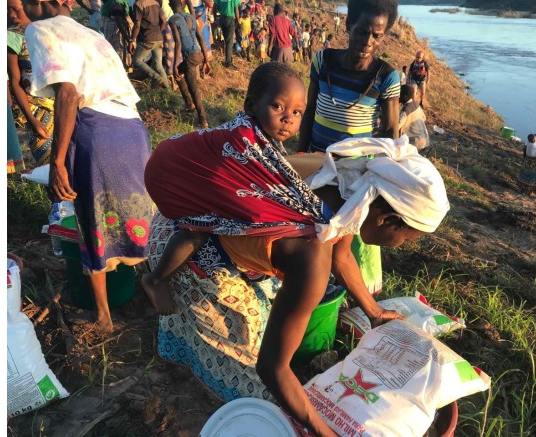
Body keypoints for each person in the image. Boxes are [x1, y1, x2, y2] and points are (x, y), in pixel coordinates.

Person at [144, 62, 450, 436]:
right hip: (191, 244)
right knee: (248, 376)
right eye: (408, 239)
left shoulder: (344, 182)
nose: (401, 246)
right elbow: (272, 369)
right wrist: (324, 431)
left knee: (267, 318)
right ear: (386, 219)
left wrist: (372, 311)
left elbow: (342, 252)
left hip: (200, 224)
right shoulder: (311, 254)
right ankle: (173, 323)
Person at [22, 0, 155, 332]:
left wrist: (57, 162)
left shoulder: (39, 29)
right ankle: (157, 291)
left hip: (97, 131)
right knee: (142, 216)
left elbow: (67, 95)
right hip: (133, 130)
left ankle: (104, 317)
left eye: (18, 3)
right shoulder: (91, 33)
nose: (15, 10)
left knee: (90, 219)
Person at [298, 0, 401, 296]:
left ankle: (354, 290)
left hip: (353, 174)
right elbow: (309, 112)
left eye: (377, 36)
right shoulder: (323, 61)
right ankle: (309, 284)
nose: (367, 42)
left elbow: (390, 133)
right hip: (315, 163)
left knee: (346, 237)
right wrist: (300, 155)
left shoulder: (386, 77)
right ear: (348, 26)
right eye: (361, 32)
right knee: (312, 229)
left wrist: (383, 178)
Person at [8, 0, 54, 167]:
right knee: (47, 162)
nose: (12, 15)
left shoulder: (48, 30)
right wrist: (32, 120)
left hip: (63, 103)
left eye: (16, 9)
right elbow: (15, 81)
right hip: (35, 108)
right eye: (7, 10)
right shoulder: (12, 36)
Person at [168, 0, 210, 128]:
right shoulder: (191, 17)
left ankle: (203, 121)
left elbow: (179, 44)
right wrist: (206, 60)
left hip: (190, 58)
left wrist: (174, 65)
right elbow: (201, 38)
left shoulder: (173, 20)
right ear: (182, 4)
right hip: (198, 54)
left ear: (170, 5)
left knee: (194, 90)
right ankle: (189, 104)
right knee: (179, 74)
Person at [129, 0, 171, 89]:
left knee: (136, 60)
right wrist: (158, 32)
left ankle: (156, 77)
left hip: (147, 38)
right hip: (159, 38)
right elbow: (164, 21)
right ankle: (167, 91)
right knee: (158, 65)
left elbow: (137, 25)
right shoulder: (156, 2)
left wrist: (132, 40)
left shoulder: (139, 4)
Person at [101, 0, 133, 71]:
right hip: (116, 31)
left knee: (115, 49)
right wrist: (128, 39)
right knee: (119, 49)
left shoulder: (111, 3)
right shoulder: (117, 5)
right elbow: (119, 23)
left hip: (110, 28)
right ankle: (121, 69)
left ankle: (122, 68)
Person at [398, 84, 429, 151]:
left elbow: (397, 127)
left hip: (416, 144)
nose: (398, 96)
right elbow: (424, 118)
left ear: (405, 96)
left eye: (400, 94)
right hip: (425, 141)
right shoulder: (416, 105)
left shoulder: (406, 110)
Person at [217, 0, 240, 68]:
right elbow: (236, 9)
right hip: (230, 19)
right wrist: (238, 21)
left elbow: (215, 6)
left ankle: (228, 58)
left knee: (226, 40)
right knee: (229, 42)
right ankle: (228, 63)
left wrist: (216, 18)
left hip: (222, 18)